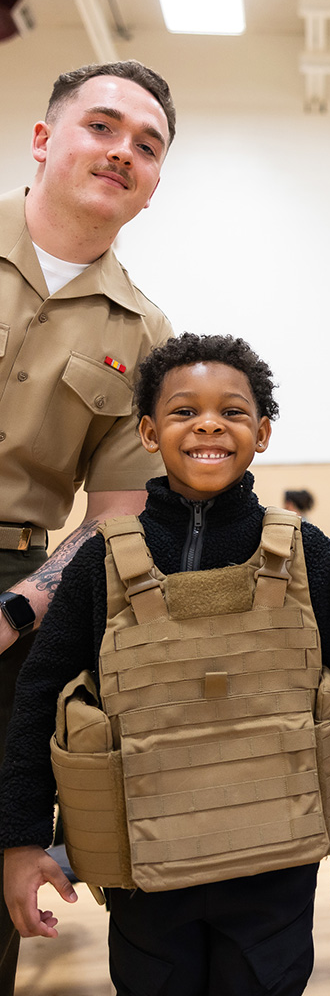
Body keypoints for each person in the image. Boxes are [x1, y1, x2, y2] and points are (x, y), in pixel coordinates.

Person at [0, 333, 330, 995]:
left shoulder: (306, 553)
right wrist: (22, 842)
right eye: (185, 411)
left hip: (274, 865)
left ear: (264, 432)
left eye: (233, 411)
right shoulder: (99, 561)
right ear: (148, 432)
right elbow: (39, 702)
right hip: (145, 865)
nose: (210, 423)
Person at [0, 60, 176, 994]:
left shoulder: (144, 334)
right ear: (43, 137)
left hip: (13, 592)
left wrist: (17, 611)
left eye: (146, 147)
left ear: (152, 189)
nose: (122, 153)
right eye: (102, 127)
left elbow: (112, 518)